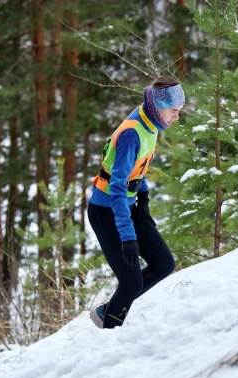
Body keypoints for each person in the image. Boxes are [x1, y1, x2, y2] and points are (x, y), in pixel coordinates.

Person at [87, 76, 184, 329]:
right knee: (131, 282)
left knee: (163, 264)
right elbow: (117, 188)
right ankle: (109, 333)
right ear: (158, 106)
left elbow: (138, 168)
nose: (176, 117)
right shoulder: (132, 132)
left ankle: (108, 311)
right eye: (173, 111)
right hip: (107, 210)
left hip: (129, 204)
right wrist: (128, 237)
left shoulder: (150, 123)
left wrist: (143, 198)